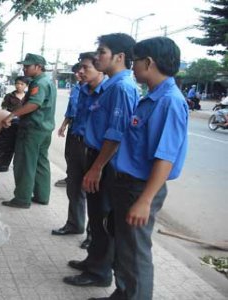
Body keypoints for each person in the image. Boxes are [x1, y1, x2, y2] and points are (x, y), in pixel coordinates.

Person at [90, 37, 189, 300]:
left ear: (149, 62)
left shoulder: (169, 101)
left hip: (140, 188)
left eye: (135, 61)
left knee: (136, 253)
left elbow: (165, 158)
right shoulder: (151, 98)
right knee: (124, 247)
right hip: (126, 184)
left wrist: (145, 200)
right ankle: (123, 293)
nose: (132, 67)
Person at [64, 33, 139, 288]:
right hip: (96, 157)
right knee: (96, 216)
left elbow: (116, 134)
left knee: (103, 218)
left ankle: (99, 272)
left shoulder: (121, 87)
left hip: (106, 163)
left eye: (102, 52)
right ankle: (93, 260)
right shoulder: (111, 85)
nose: (97, 57)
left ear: (119, 57)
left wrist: (97, 167)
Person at [52, 53, 106, 255]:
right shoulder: (81, 89)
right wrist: (66, 127)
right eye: (79, 69)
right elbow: (73, 112)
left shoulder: (109, 91)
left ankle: (93, 234)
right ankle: (74, 223)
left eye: (85, 68)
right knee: (74, 185)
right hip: (75, 140)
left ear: (99, 68)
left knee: (93, 192)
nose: (79, 72)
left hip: (94, 147)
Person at [1, 53, 56, 209]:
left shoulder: (39, 83)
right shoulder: (47, 81)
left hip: (32, 129)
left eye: (27, 66)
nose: (24, 69)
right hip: (44, 129)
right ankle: (42, 195)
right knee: (40, 162)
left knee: (25, 163)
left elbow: (34, 104)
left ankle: (22, 198)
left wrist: (12, 115)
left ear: (38, 67)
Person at [54, 63, 83, 188]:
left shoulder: (90, 89)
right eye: (75, 72)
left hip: (82, 128)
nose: (77, 75)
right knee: (69, 153)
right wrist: (63, 125)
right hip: (72, 125)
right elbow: (70, 108)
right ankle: (70, 176)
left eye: (79, 71)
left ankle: (77, 178)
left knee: (79, 155)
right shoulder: (76, 88)